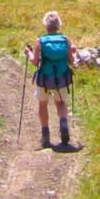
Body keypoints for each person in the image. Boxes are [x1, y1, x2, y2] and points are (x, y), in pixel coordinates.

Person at [25, 10, 76, 149]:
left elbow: (35, 62)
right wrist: (73, 54)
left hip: (44, 79)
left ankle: (45, 134)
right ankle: (63, 123)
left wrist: (28, 53)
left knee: (43, 104)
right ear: (59, 25)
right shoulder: (66, 40)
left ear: (45, 26)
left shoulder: (40, 41)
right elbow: (72, 61)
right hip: (62, 78)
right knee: (61, 103)